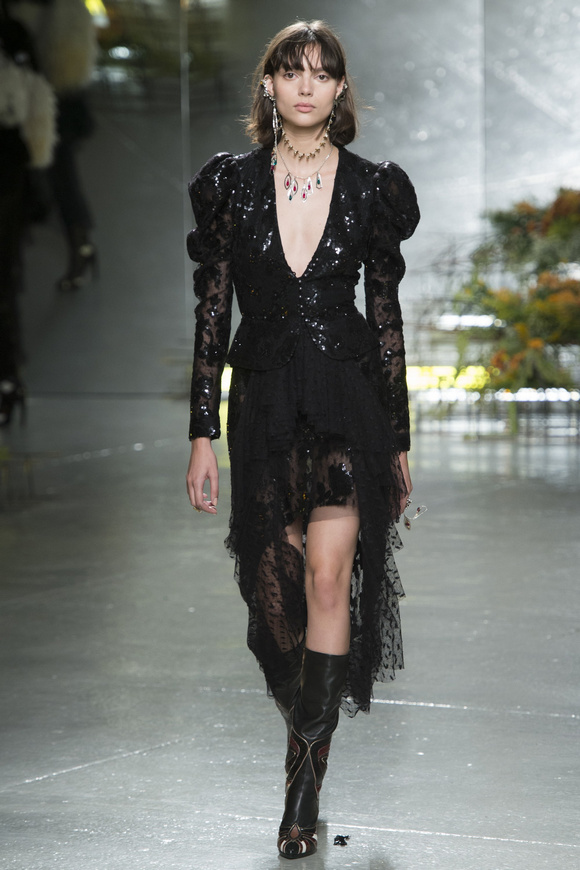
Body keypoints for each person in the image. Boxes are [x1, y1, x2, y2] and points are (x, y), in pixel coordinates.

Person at [185, 20, 420, 860]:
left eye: (323, 73)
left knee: (327, 580)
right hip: (263, 408)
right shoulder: (232, 184)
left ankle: (303, 790)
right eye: (292, 72)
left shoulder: (371, 189)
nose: (307, 86)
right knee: (272, 600)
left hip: (347, 404)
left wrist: (398, 440)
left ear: (340, 89)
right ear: (270, 86)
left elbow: (386, 322)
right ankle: (308, 741)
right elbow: (213, 312)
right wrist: (201, 432)